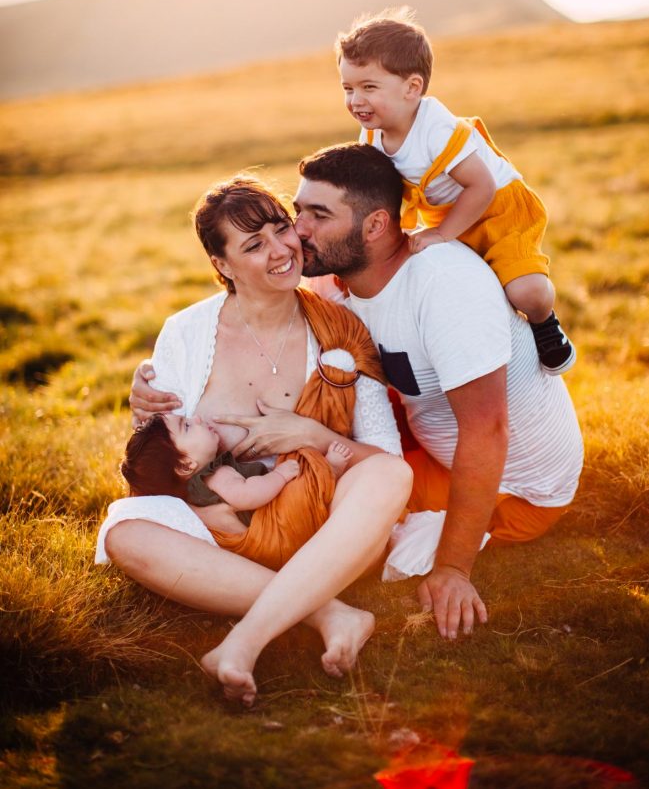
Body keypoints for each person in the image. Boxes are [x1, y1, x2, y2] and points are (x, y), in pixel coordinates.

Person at [97, 174, 412, 705]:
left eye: (279, 229)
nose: (280, 250)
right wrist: (140, 409)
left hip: (323, 527)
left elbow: (382, 457)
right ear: (221, 265)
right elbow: (163, 457)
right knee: (123, 534)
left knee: (391, 475)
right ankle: (328, 612)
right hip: (225, 539)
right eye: (252, 244)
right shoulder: (187, 332)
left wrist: (309, 434)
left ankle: (243, 642)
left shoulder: (342, 330)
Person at [284, 142, 584, 642]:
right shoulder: (341, 281)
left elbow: (488, 431)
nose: (299, 230)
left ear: (376, 225)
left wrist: (453, 569)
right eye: (299, 211)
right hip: (430, 440)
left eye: (318, 215)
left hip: (517, 486)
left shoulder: (444, 286)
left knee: (321, 512)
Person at [336, 8, 576, 375]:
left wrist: (443, 235)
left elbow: (481, 186)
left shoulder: (437, 130)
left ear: (412, 88)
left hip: (496, 208)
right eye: (348, 88)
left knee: (524, 291)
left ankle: (546, 324)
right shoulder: (372, 131)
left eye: (369, 87)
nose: (356, 101)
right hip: (442, 211)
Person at [120, 411, 354, 570]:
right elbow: (246, 495)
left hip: (272, 531)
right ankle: (328, 471)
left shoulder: (198, 489)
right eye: (188, 426)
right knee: (301, 491)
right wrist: (279, 476)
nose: (198, 418)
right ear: (185, 465)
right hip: (275, 525)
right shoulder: (215, 475)